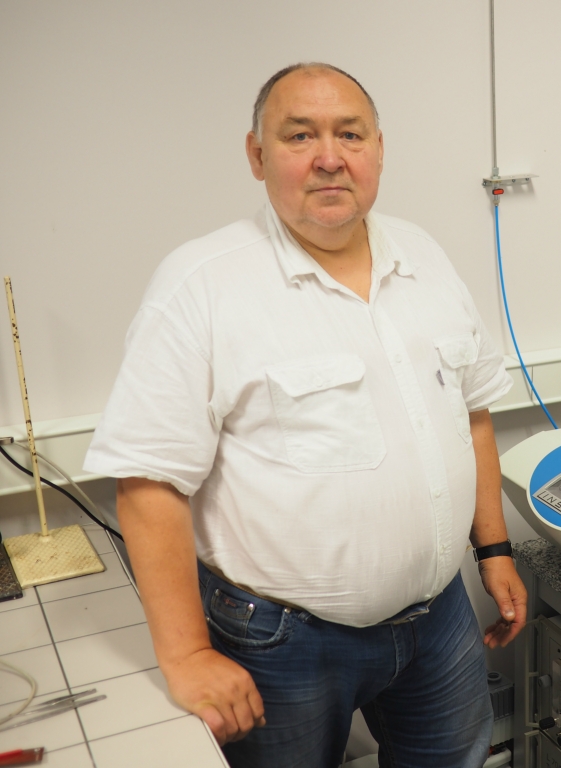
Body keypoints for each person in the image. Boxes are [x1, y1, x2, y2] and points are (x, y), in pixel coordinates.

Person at [84, 62, 528, 768]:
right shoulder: (202, 285)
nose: (329, 157)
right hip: (280, 643)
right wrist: (188, 655)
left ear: (378, 148)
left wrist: (494, 548)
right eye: (300, 136)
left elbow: (470, 415)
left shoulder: (426, 257)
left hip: (439, 618)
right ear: (257, 155)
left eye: (350, 134)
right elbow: (148, 483)